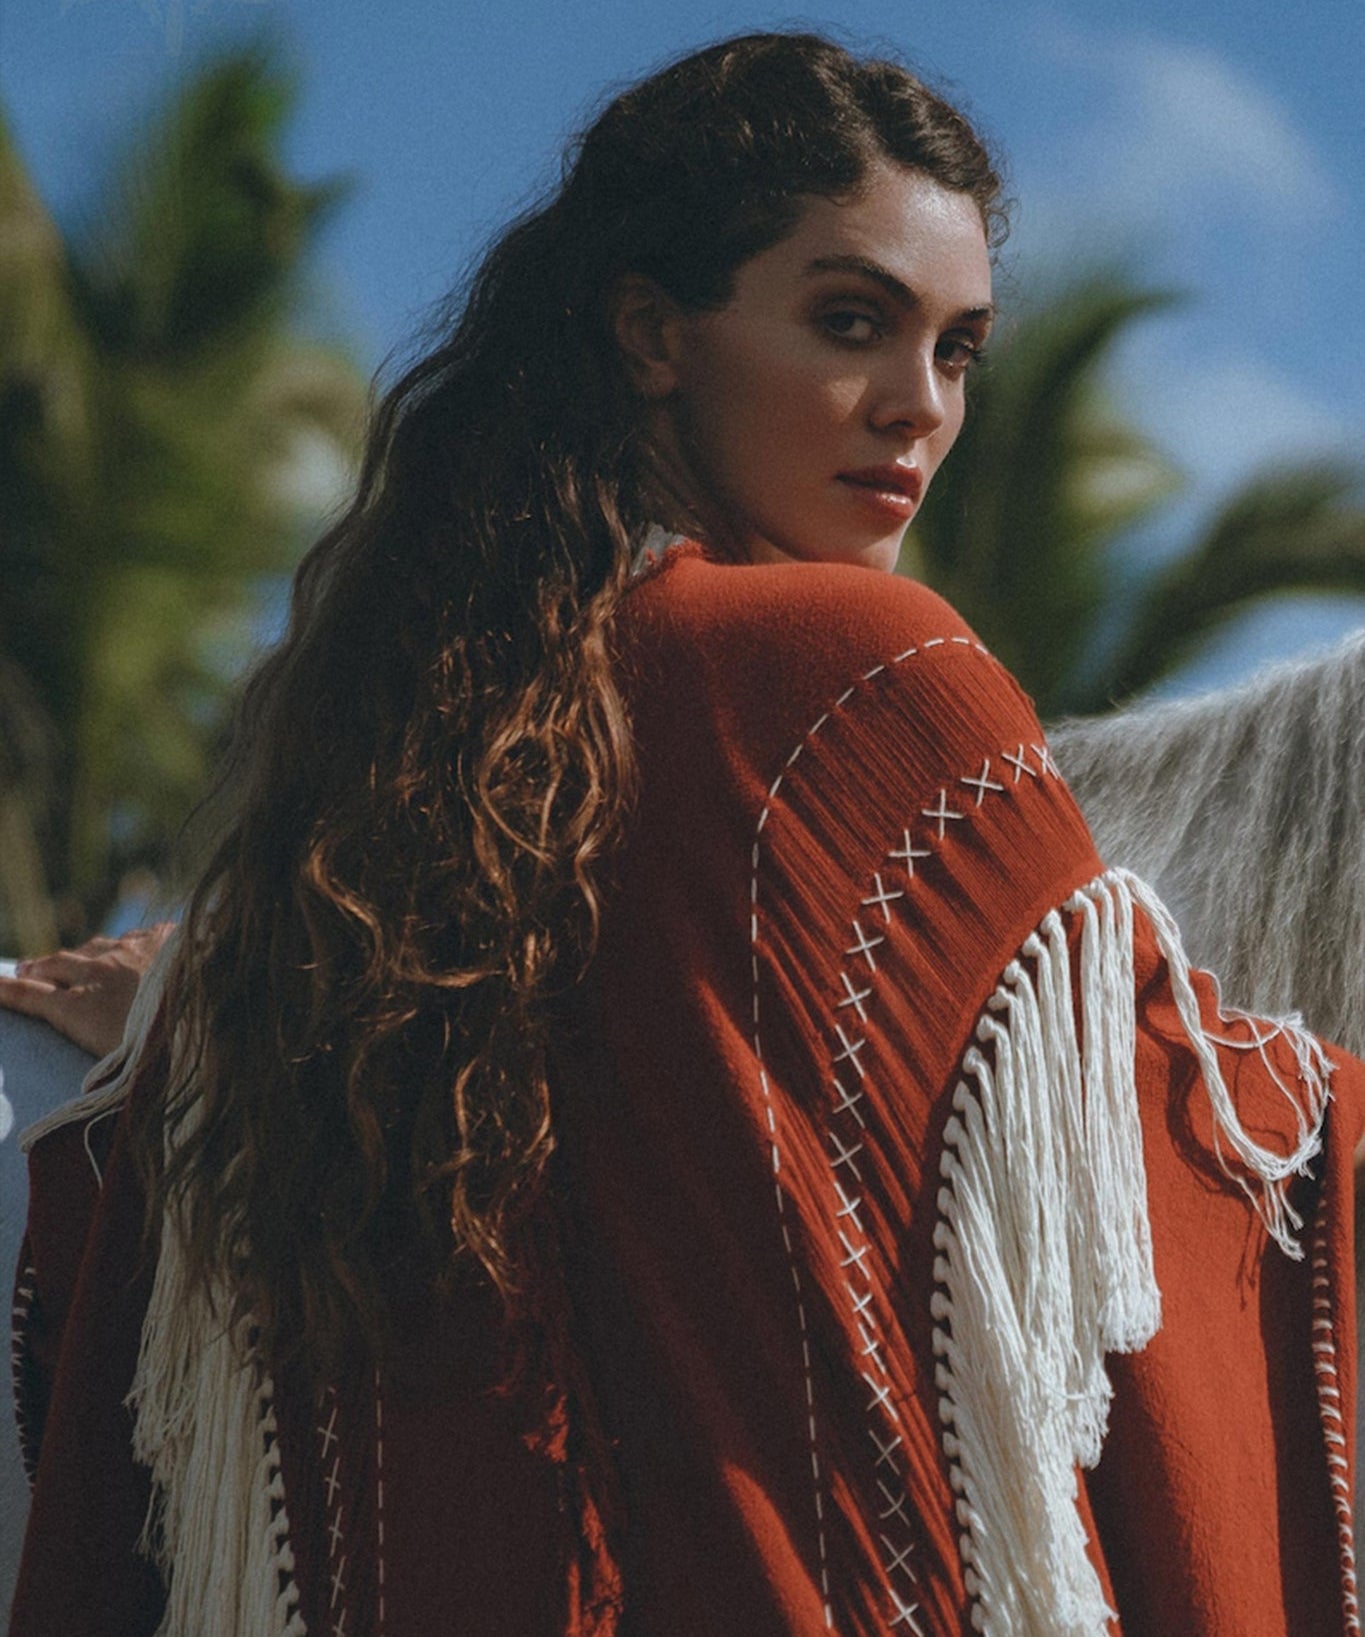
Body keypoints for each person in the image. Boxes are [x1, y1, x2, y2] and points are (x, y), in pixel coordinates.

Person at [6, 32, 1362, 1637]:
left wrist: (175, 1017)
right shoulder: (865, 678)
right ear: (652, 330)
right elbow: (1136, 1127)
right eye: (850, 323)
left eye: (957, 350)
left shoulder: (411, 759)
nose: (915, 410)